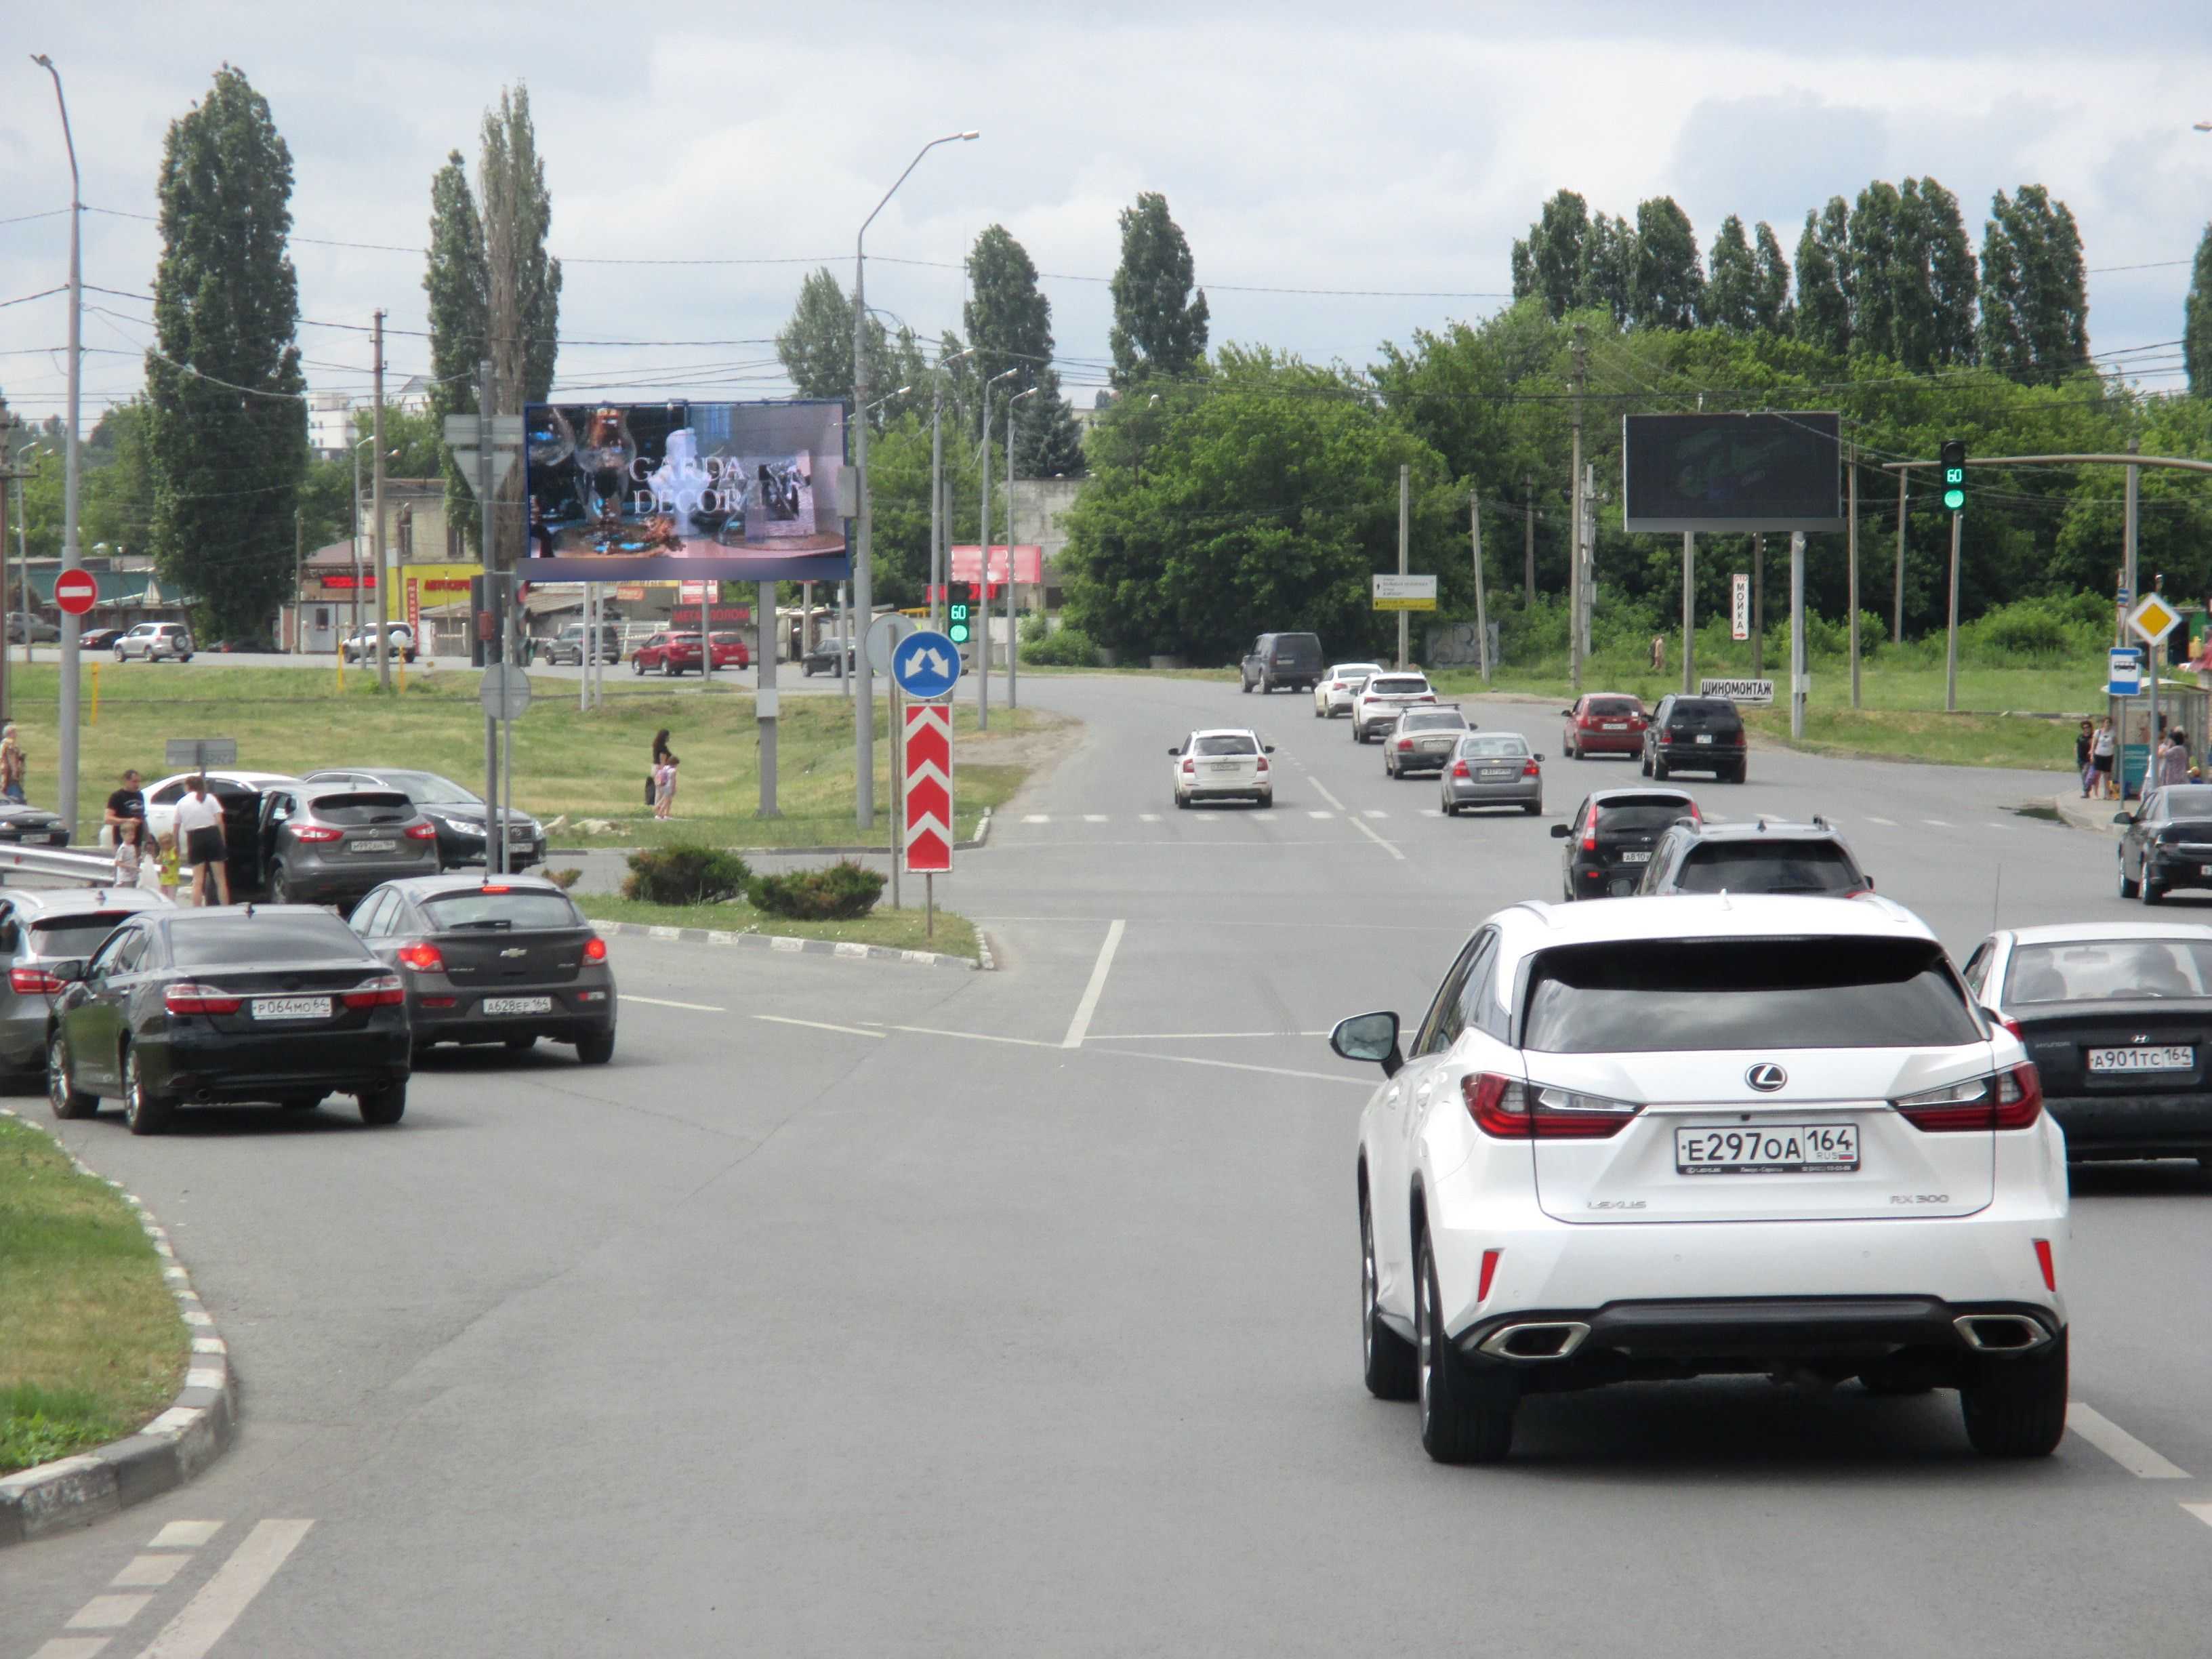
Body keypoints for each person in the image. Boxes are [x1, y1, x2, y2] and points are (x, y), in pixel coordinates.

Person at [174, 775, 229, 906]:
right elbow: (220, 821)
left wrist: (177, 846)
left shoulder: (182, 802)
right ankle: (226, 907)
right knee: (220, 879)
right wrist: (222, 841)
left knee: (198, 880)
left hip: (194, 837)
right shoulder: (210, 798)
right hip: (212, 834)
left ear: (188, 787)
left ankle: (197, 909)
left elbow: (176, 827)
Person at [102, 768, 146, 849]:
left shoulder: (140, 795)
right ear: (126, 781)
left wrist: (148, 836)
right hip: (122, 841)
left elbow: (143, 817)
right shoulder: (117, 796)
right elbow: (108, 819)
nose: (137, 785)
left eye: (139, 782)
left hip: (137, 840)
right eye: (134, 782)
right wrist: (128, 821)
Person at [111, 816, 143, 886]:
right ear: (123, 835)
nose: (132, 837)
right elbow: (118, 863)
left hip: (133, 876)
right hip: (125, 878)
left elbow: (132, 859)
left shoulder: (132, 847)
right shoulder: (123, 848)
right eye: (130, 835)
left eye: (133, 835)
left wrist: (138, 860)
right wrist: (130, 867)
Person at [2091, 716, 2117, 800]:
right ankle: (2095, 793)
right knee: (2097, 775)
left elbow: (2115, 742)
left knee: (2107, 776)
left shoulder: (2112, 733)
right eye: (2106, 723)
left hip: (2108, 755)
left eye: (2109, 723)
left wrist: (2113, 746)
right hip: (2099, 755)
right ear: (2103, 723)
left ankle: (2107, 794)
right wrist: (2092, 754)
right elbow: (2094, 744)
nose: (2108, 724)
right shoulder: (2098, 732)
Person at [0, 724, 26, 805]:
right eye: (14, 732)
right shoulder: (9, 744)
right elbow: (11, 759)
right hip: (10, 777)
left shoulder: (3, 744)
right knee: (16, 800)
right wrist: (15, 772)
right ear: (10, 733)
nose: (16, 734)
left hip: (5, 776)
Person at [152, 830, 180, 902]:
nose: (166, 845)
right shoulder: (162, 852)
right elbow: (158, 860)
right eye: (163, 844)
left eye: (168, 843)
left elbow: (171, 861)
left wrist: (162, 861)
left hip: (172, 880)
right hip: (164, 879)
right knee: (163, 898)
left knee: (171, 899)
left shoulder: (174, 851)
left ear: (172, 842)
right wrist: (155, 859)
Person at [649, 728, 674, 808]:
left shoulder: (657, 745)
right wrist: (663, 770)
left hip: (656, 767)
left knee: (659, 791)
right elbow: (663, 757)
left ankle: (659, 810)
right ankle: (658, 811)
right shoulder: (662, 747)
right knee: (661, 791)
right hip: (660, 768)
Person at [653, 753, 678, 819]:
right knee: (666, 802)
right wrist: (673, 789)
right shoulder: (673, 771)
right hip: (669, 787)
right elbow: (673, 781)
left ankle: (666, 814)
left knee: (668, 800)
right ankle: (659, 814)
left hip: (663, 786)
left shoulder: (665, 767)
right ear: (675, 764)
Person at [2075, 719, 2095, 799]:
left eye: (2087, 727)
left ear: (2090, 728)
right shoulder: (2080, 737)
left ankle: (2086, 791)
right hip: (2080, 759)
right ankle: (2086, 792)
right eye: (2084, 728)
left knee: (2085, 774)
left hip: (2088, 760)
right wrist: (2076, 756)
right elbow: (2076, 746)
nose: (2086, 729)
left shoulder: (2093, 737)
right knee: (2084, 776)